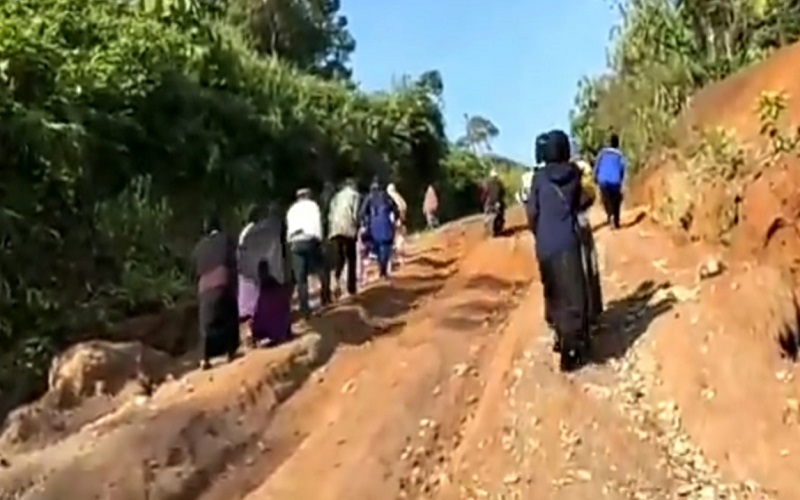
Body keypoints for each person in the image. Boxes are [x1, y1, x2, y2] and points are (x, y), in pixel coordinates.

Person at [526, 129, 590, 372]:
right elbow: (582, 201)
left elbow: (532, 212)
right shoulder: (574, 173)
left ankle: (559, 334)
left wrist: (538, 232)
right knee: (574, 293)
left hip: (545, 244)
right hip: (568, 241)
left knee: (553, 292)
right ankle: (572, 347)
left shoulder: (539, 178)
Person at [192, 215, 240, 369]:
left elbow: (194, 272)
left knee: (205, 325)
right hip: (222, 281)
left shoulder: (198, 247)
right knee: (230, 315)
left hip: (205, 287)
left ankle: (204, 359)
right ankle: (230, 352)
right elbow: (234, 260)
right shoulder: (226, 239)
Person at [239, 202, 291, 343]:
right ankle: (278, 331)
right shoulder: (269, 227)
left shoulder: (250, 231)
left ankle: (256, 333)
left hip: (256, 273)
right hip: (267, 271)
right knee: (273, 303)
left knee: (258, 306)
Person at [286, 188, 331, 318]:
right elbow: (317, 225)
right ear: (308, 195)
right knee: (321, 269)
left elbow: (290, 228)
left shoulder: (292, 209)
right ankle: (325, 297)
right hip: (310, 240)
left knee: (301, 278)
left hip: (295, 242)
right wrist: (321, 241)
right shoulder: (313, 206)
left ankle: (305, 309)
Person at [573, 156, 604, 327]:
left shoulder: (542, 178)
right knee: (589, 266)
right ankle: (593, 312)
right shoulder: (579, 170)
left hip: (561, 230)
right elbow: (589, 196)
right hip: (580, 223)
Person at [327, 178, 361, 297]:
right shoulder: (355, 195)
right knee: (351, 257)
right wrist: (357, 226)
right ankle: (351, 288)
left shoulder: (336, 197)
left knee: (339, 257)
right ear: (352, 185)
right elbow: (355, 213)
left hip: (335, 229)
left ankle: (335, 278)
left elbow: (330, 214)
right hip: (348, 228)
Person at [359, 180, 398, 279]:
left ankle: (382, 268)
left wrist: (365, 222)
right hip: (385, 225)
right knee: (386, 248)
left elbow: (362, 212)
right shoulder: (385, 196)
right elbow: (395, 208)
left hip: (373, 226)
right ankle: (383, 270)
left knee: (377, 248)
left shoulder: (369, 197)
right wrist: (395, 219)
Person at [250, 259, 293, 347]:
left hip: (269, 327)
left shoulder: (263, 287)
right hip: (281, 326)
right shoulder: (275, 283)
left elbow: (260, 309)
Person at [594, 133, 626, 229]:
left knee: (606, 199)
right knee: (616, 200)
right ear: (617, 144)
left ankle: (610, 215)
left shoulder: (602, 153)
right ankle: (615, 219)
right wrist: (621, 179)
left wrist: (595, 177)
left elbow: (597, 166)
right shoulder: (620, 155)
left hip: (603, 180)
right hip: (615, 181)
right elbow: (622, 168)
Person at [386, 182, 408, 267]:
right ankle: (401, 259)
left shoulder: (390, 198)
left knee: (393, 241)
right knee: (400, 240)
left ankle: (392, 261)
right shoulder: (400, 198)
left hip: (393, 222)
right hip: (401, 222)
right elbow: (404, 207)